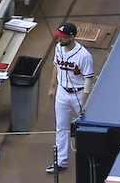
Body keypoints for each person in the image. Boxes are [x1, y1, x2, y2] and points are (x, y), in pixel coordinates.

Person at [47, 22, 94, 174]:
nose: (60, 39)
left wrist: (85, 101)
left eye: (63, 37)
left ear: (72, 37)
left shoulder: (84, 55)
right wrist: (53, 86)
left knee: (86, 127)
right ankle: (61, 161)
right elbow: (56, 66)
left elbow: (88, 79)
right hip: (62, 92)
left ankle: (91, 159)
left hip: (79, 94)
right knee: (61, 127)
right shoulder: (58, 48)